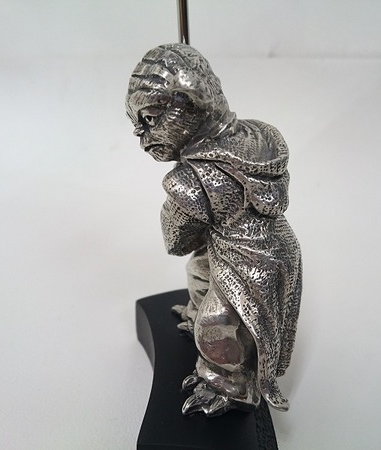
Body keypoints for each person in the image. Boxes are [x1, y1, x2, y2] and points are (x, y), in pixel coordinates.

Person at [126, 43, 302, 416]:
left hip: (250, 262)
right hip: (272, 244)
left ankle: (229, 385)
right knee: (199, 271)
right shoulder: (261, 137)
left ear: (189, 103)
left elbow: (175, 240)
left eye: (151, 118)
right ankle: (199, 315)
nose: (141, 136)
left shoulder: (192, 179)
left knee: (217, 325)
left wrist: (181, 204)